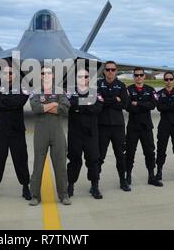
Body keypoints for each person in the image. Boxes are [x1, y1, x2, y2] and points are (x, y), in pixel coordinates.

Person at [0, 65, 31, 200]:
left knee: (21, 159)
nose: (8, 75)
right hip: (0, 131)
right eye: (6, 73)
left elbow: (20, 102)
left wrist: (2, 98)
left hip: (17, 131)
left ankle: (25, 187)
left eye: (11, 73)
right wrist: (10, 101)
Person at [29, 67, 71, 206]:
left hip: (57, 132)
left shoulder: (60, 91)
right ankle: (35, 195)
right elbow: (36, 109)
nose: (45, 75)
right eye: (43, 73)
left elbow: (65, 109)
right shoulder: (36, 91)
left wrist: (45, 106)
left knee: (60, 165)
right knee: (38, 165)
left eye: (48, 73)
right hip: (41, 133)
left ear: (52, 75)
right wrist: (54, 104)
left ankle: (64, 194)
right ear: (40, 76)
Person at [67, 68, 103, 199]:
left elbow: (98, 108)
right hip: (75, 133)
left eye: (86, 76)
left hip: (91, 133)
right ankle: (70, 186)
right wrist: (88, 104)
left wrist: (78, 106)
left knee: (93, 160)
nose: (83, 79)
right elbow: (68, 106)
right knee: (74, 160)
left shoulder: (96, 92)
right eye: (80, 76)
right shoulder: (70, 92)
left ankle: (95, 186)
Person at [126, 67, 162, 187]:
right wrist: (143, 105)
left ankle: (151, 176)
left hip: (146, 127)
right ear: (134, 77)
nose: (139, 77)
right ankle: (128, 176)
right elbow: (127, 106)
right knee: (130, 152)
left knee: (150, 152)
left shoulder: (150, 90)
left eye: (141, 75)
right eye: (136, 75)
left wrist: (137, 103)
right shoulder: (128, 90)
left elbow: (153, 105)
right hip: (133, 127)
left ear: (144, 76)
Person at [97, 61, 130, 192]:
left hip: (117, 126)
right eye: (108, 69)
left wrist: (106, 100)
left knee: (120, 156)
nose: (110, 72)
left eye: (113, 69)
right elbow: (97, 102)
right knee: (99, 156)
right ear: (104, 71)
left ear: (116, 71)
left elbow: (124, 104)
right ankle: (95, 183)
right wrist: (115, 99)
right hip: (102, 125)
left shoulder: (121, 86)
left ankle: (123, 181)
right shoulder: (98, 85)